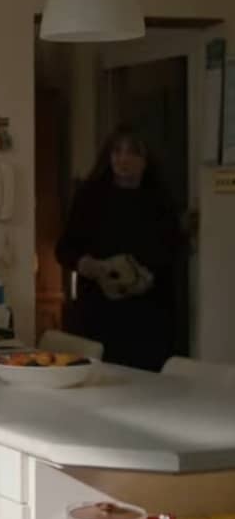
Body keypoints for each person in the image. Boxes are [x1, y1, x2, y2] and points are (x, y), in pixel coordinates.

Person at [56, 125, 183, 372]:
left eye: (132, 152)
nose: (123, 159)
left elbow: (170, 251)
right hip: (98, 313)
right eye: (117, 151)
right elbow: (65, 249)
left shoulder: (160, 200)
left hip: (148, 317)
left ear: (145, 159)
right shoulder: (89, 197)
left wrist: (143, 275)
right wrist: (88, 265)